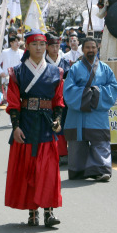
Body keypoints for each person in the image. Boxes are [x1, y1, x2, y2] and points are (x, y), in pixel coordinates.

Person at [5, 30, 64, 227]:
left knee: (48, 170)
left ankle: (49, 212)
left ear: (46, 46)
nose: (39, 48)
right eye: (34, 44)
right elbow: (13, 101)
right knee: (29, 170)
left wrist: (57, 119)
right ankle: (32, 213)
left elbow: (58, 101)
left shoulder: (56, 71)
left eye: (42, 44)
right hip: (27, 124)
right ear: (27, 47)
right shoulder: (18, 72)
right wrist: (16, 127)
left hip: (47, 125)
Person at [63, 38, 117, 181]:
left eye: (93, 47)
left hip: (97, 112)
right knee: (77, 143)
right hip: (78, 113)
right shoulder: (74, 68)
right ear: (83, 50)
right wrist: (90, 94)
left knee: (100, 141)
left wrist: (94, 93)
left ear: (97, 49)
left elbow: (113, 87)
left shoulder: (105, 68)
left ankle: (101, 170)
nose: (91, 50)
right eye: (88, 47)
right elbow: (68, 90)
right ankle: (78, 171)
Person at [45, 33, 70, 165]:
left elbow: (70, 79)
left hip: (63, 98)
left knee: (62, 123)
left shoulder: (64, 62)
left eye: (57, 45)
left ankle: (63, 152)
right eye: (52, 46)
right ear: (47, 47)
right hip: (47, 98)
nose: (55, 48)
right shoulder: (43, 62)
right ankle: (51, 152)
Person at [0, 35, 23, 108]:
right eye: (16, 41)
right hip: (8, 78)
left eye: (18, 41)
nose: (18, 43)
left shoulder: (22, 52)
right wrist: (1, 72)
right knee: (10, 97)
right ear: (11, 43)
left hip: (20, 78)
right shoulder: (5, 52)